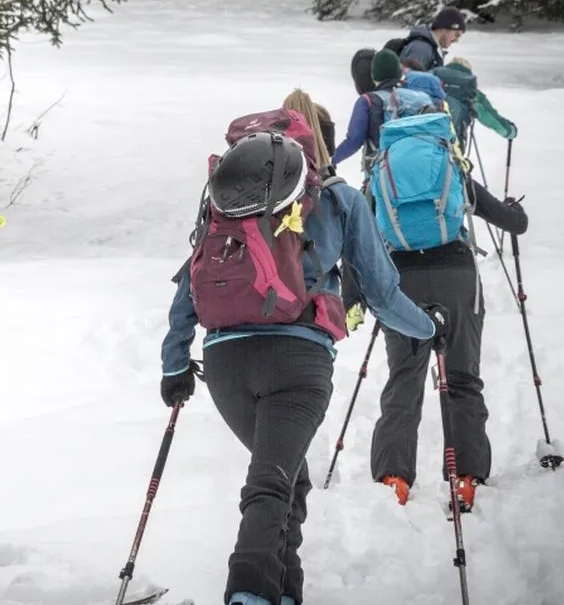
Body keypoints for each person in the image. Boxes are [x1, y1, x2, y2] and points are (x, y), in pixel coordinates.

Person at [159, 98, 442, 605]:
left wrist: (175, 364)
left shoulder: (228, 202)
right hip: (298, 362)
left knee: (291, 478)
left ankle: (283, 594)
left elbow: (191, 284)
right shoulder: (338, 199)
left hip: (225, 364)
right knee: (271, 482)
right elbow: (380, 294)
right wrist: (428, 329)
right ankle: (248, 592)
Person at [367, 146, 530, 511]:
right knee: (461, 378)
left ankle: (394, 479)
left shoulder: (382, 172)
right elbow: (514, 224)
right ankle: (466, 477)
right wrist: (514, 210)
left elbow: (363, 228)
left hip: (401, 280)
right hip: (457, 277)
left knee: (405, 377)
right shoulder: (449, 167)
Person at [331, 50, 436, 176]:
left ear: (374, 75)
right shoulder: (418, 99)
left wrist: (331, 160)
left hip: (381, 175)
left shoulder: (368, 101)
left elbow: (354, 141)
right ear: (399, 73)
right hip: (420, 171)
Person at [431, 56, 518, 150]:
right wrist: (510, 131)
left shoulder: (429, 80)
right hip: (451, 145)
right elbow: (491, 118)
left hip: (420, 137)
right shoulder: (471, 92)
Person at [398, 6, 467, 71]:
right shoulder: (422, 49)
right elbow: (411, 81)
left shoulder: (431, 48)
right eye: (456, 34)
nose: (457, 40)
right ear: (443, 28)